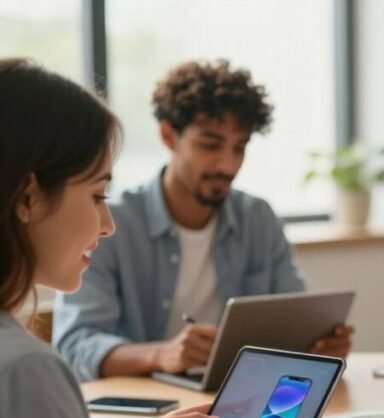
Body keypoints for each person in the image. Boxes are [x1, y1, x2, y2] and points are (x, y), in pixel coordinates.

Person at [0, 57, 323, 418]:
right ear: (28, 198)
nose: (107, 226)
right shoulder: (25, 372)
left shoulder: (256, 217)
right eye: (95, 194)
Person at [54, 60, 353, 381]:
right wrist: (163, 354)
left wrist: (317, 343)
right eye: (210, 144)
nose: (227, 164)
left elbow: (295, 320)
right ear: (168, 136)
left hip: (236, 397)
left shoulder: (258, 219)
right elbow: (75, 346)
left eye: (239, 148)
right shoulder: (111, 224)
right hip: (146, 404)